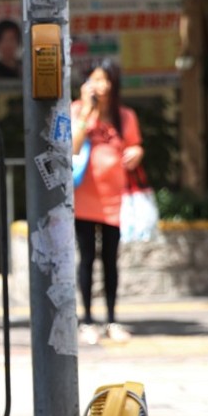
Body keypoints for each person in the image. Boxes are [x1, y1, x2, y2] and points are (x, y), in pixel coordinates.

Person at [70, 59, 143, 344]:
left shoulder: (125, 116)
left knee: (111, 261)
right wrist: (88, 110)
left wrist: (137, 152)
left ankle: (112, 319)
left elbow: (135, 145)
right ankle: (87, 320)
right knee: (86, 258)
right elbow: (71, 147)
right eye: (95, 79)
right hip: (84, 199)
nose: (101, 85)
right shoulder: (77, 110)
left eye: (105, 79)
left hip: (115, 200)